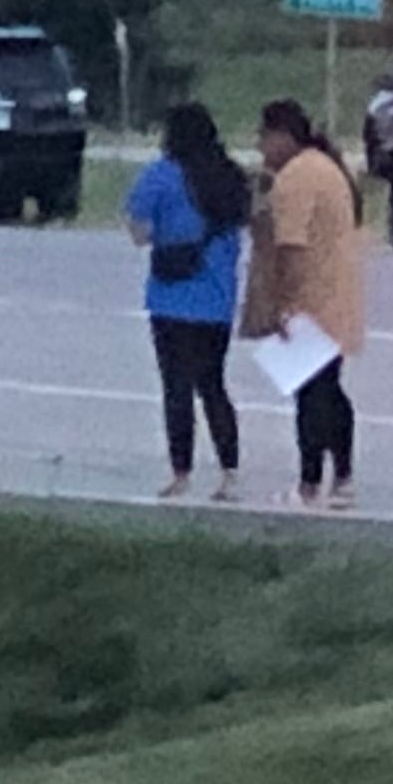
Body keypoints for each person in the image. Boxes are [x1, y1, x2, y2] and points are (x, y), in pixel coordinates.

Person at [239, 96, 365, 511]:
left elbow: (289, 246)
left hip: (309, 302)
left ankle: (310, 483)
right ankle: (343, 477)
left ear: (282, 136)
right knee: (330, 391)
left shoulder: (294, 178)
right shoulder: (328, 168)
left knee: (310, 396)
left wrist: (284, 305)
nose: (261, 147)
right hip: (338, 298)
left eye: (264, 137)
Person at [125, 100, 249, 500]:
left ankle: (181, 473)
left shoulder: (160, 176)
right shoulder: (231, 177)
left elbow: (139, 233)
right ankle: (230, 473)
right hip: (218, 300)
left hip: (170, 300)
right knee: (213, 385)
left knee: (176, 388)